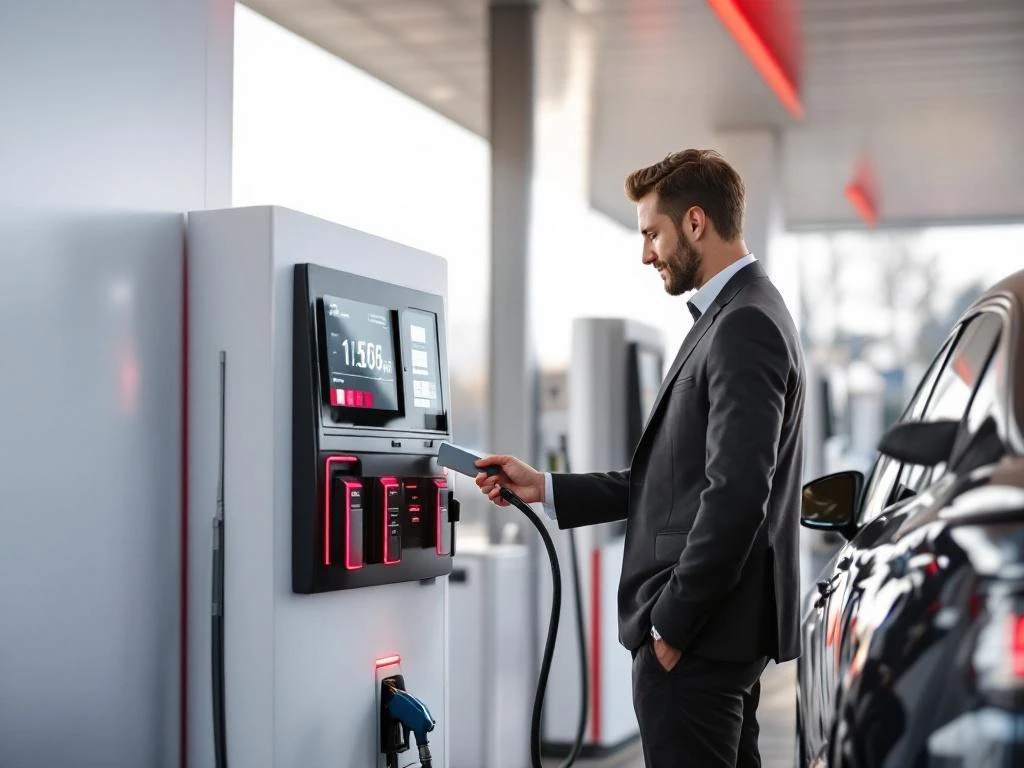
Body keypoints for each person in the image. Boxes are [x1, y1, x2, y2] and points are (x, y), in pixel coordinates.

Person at [474, 149, 805, 767]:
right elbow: (671, 482)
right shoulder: (744, 314)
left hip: (699, 640)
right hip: (721, 636)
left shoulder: (742, 324)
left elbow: (735, 496)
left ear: (696, 223)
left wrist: (672, 627)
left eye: (653, 232)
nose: (646, 252)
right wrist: (545, 486)